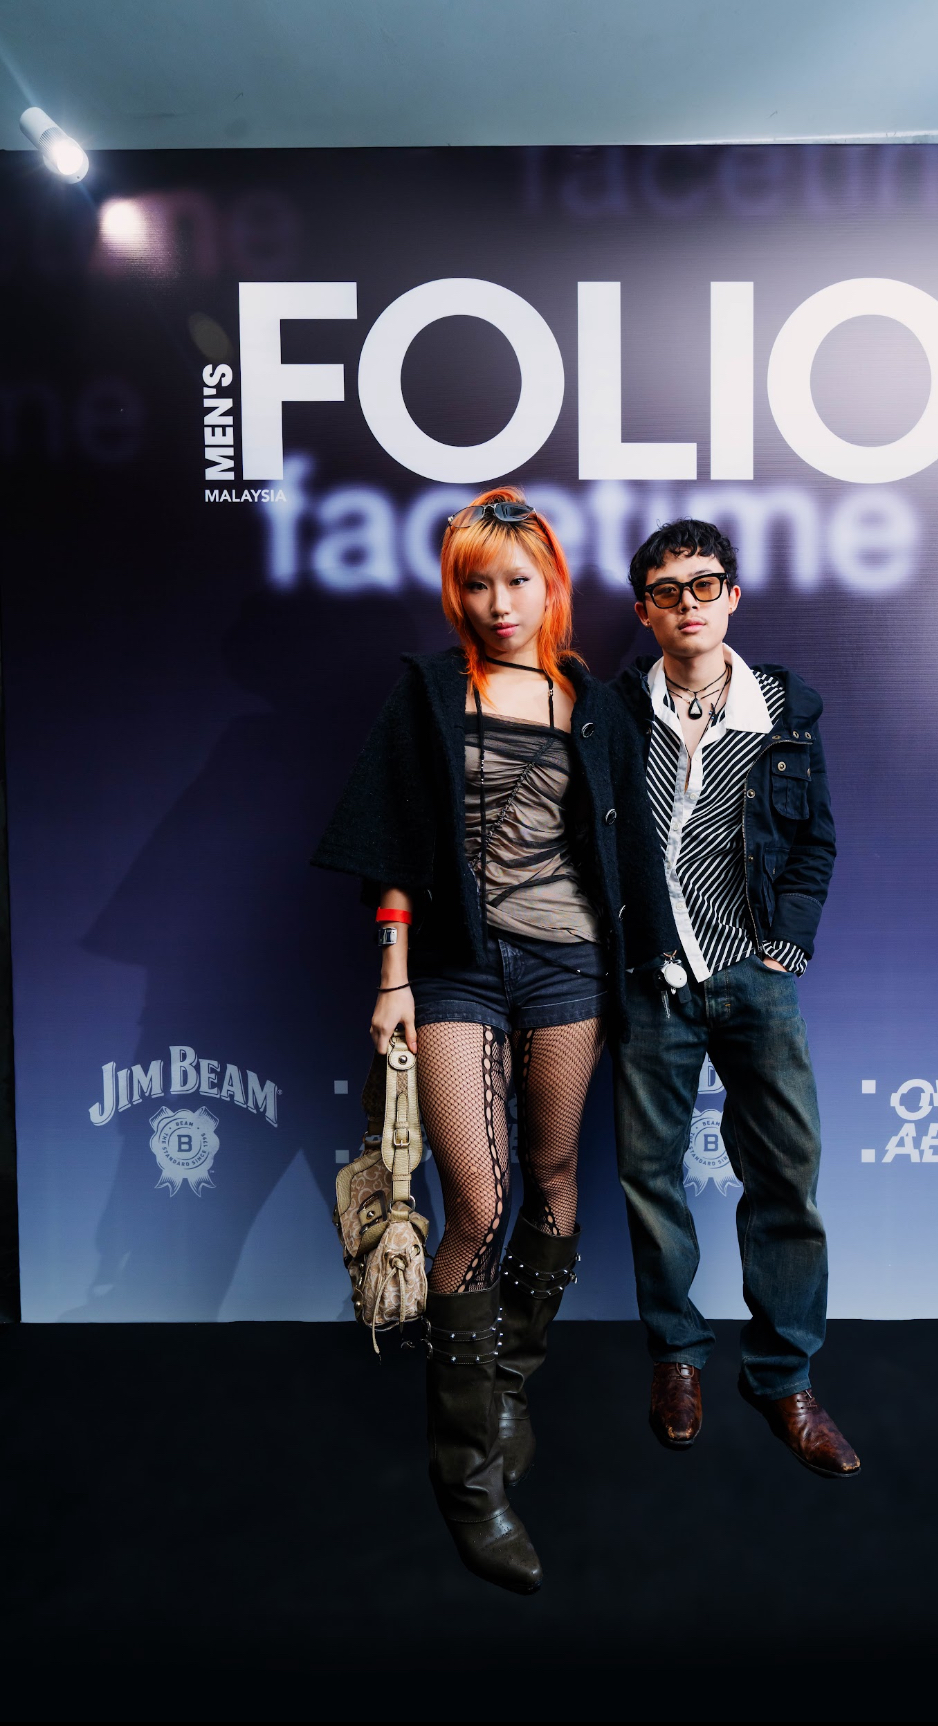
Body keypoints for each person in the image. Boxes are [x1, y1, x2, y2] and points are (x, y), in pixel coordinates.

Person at [312, 487, 674, 1593]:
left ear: (550, 583)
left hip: (571, 968)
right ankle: (467, 1474)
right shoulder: (430, 691)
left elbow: (630, 847)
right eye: (477, 583)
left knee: (555, 1177)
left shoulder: (593, 703)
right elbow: (390, 845)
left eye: (518, 580)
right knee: (478, 1202)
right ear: (455, 591)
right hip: (457, 968)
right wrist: (393, 977)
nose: (499, 602)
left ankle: (507, 1378)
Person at [609, 518, 860, 1477]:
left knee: (786, 1175)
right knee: (649, 1176)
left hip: (752, 974)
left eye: (704, 584)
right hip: (653, 978)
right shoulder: (612, 711)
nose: (688, 603)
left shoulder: (784, 712)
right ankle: (676, 1358)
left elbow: (814, 841)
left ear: (732, 596)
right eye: (666, 591)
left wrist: (787, 944)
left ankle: (784, 1378)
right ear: (644, 610)